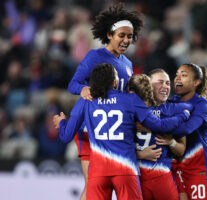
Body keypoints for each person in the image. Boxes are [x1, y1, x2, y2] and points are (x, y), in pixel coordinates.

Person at [53, 63, 191, 200]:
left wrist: (62, 122)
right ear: (114, 82)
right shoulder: (130, 99)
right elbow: (160, 126)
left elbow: (65, 136)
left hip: (98, 171)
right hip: (125, 170)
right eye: (117, 76)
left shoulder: (86, 101)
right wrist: (183, 116)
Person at [67, 3, 143, 199]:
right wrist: (84, 88)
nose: (126, 40)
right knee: (92, 186)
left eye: (129, 36)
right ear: (109, 35)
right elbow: (73, 84)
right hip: (92, 129)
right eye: (122, 35)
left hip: (115, 132)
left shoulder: (128, 64)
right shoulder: (95, 56)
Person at [134, 68, 187, 200]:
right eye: (160, 82)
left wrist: (171, 142)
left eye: (168, 83)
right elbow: (117, 145)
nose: (165, 86)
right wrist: (140, 154)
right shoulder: (132, 108)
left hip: (161, 174)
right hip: (135, 176)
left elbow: (181, 150)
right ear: (148, 85)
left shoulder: (174, 110)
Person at [170, 63, 207, 200]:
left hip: (199, 169)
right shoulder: (171, 102)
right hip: (177, 168)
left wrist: (160, 127)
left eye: (184, 75)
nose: (178, 78)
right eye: (177, 75)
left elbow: (186, 128)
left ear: (196, 82)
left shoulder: (202, 105)